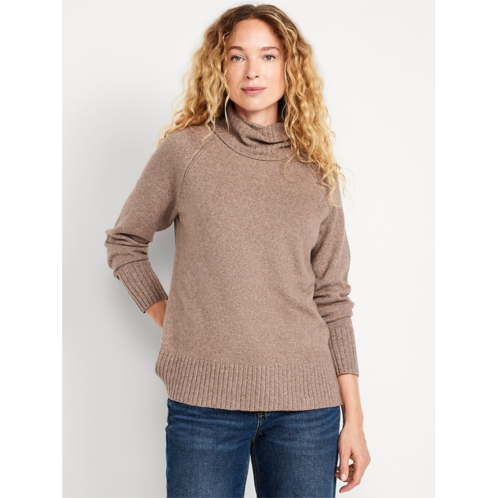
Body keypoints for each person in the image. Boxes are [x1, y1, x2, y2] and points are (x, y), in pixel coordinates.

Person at [105, 4, 370, 497]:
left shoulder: (316, 172)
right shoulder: (186, 153)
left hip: (306, 410)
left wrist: (353, 419)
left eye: (268, 56)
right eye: (237, 56)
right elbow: (125, 242)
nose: (253, 72)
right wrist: (170, 316)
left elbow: (333, 298)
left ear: (290, 67)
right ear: (219, 67)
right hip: (204, 407)